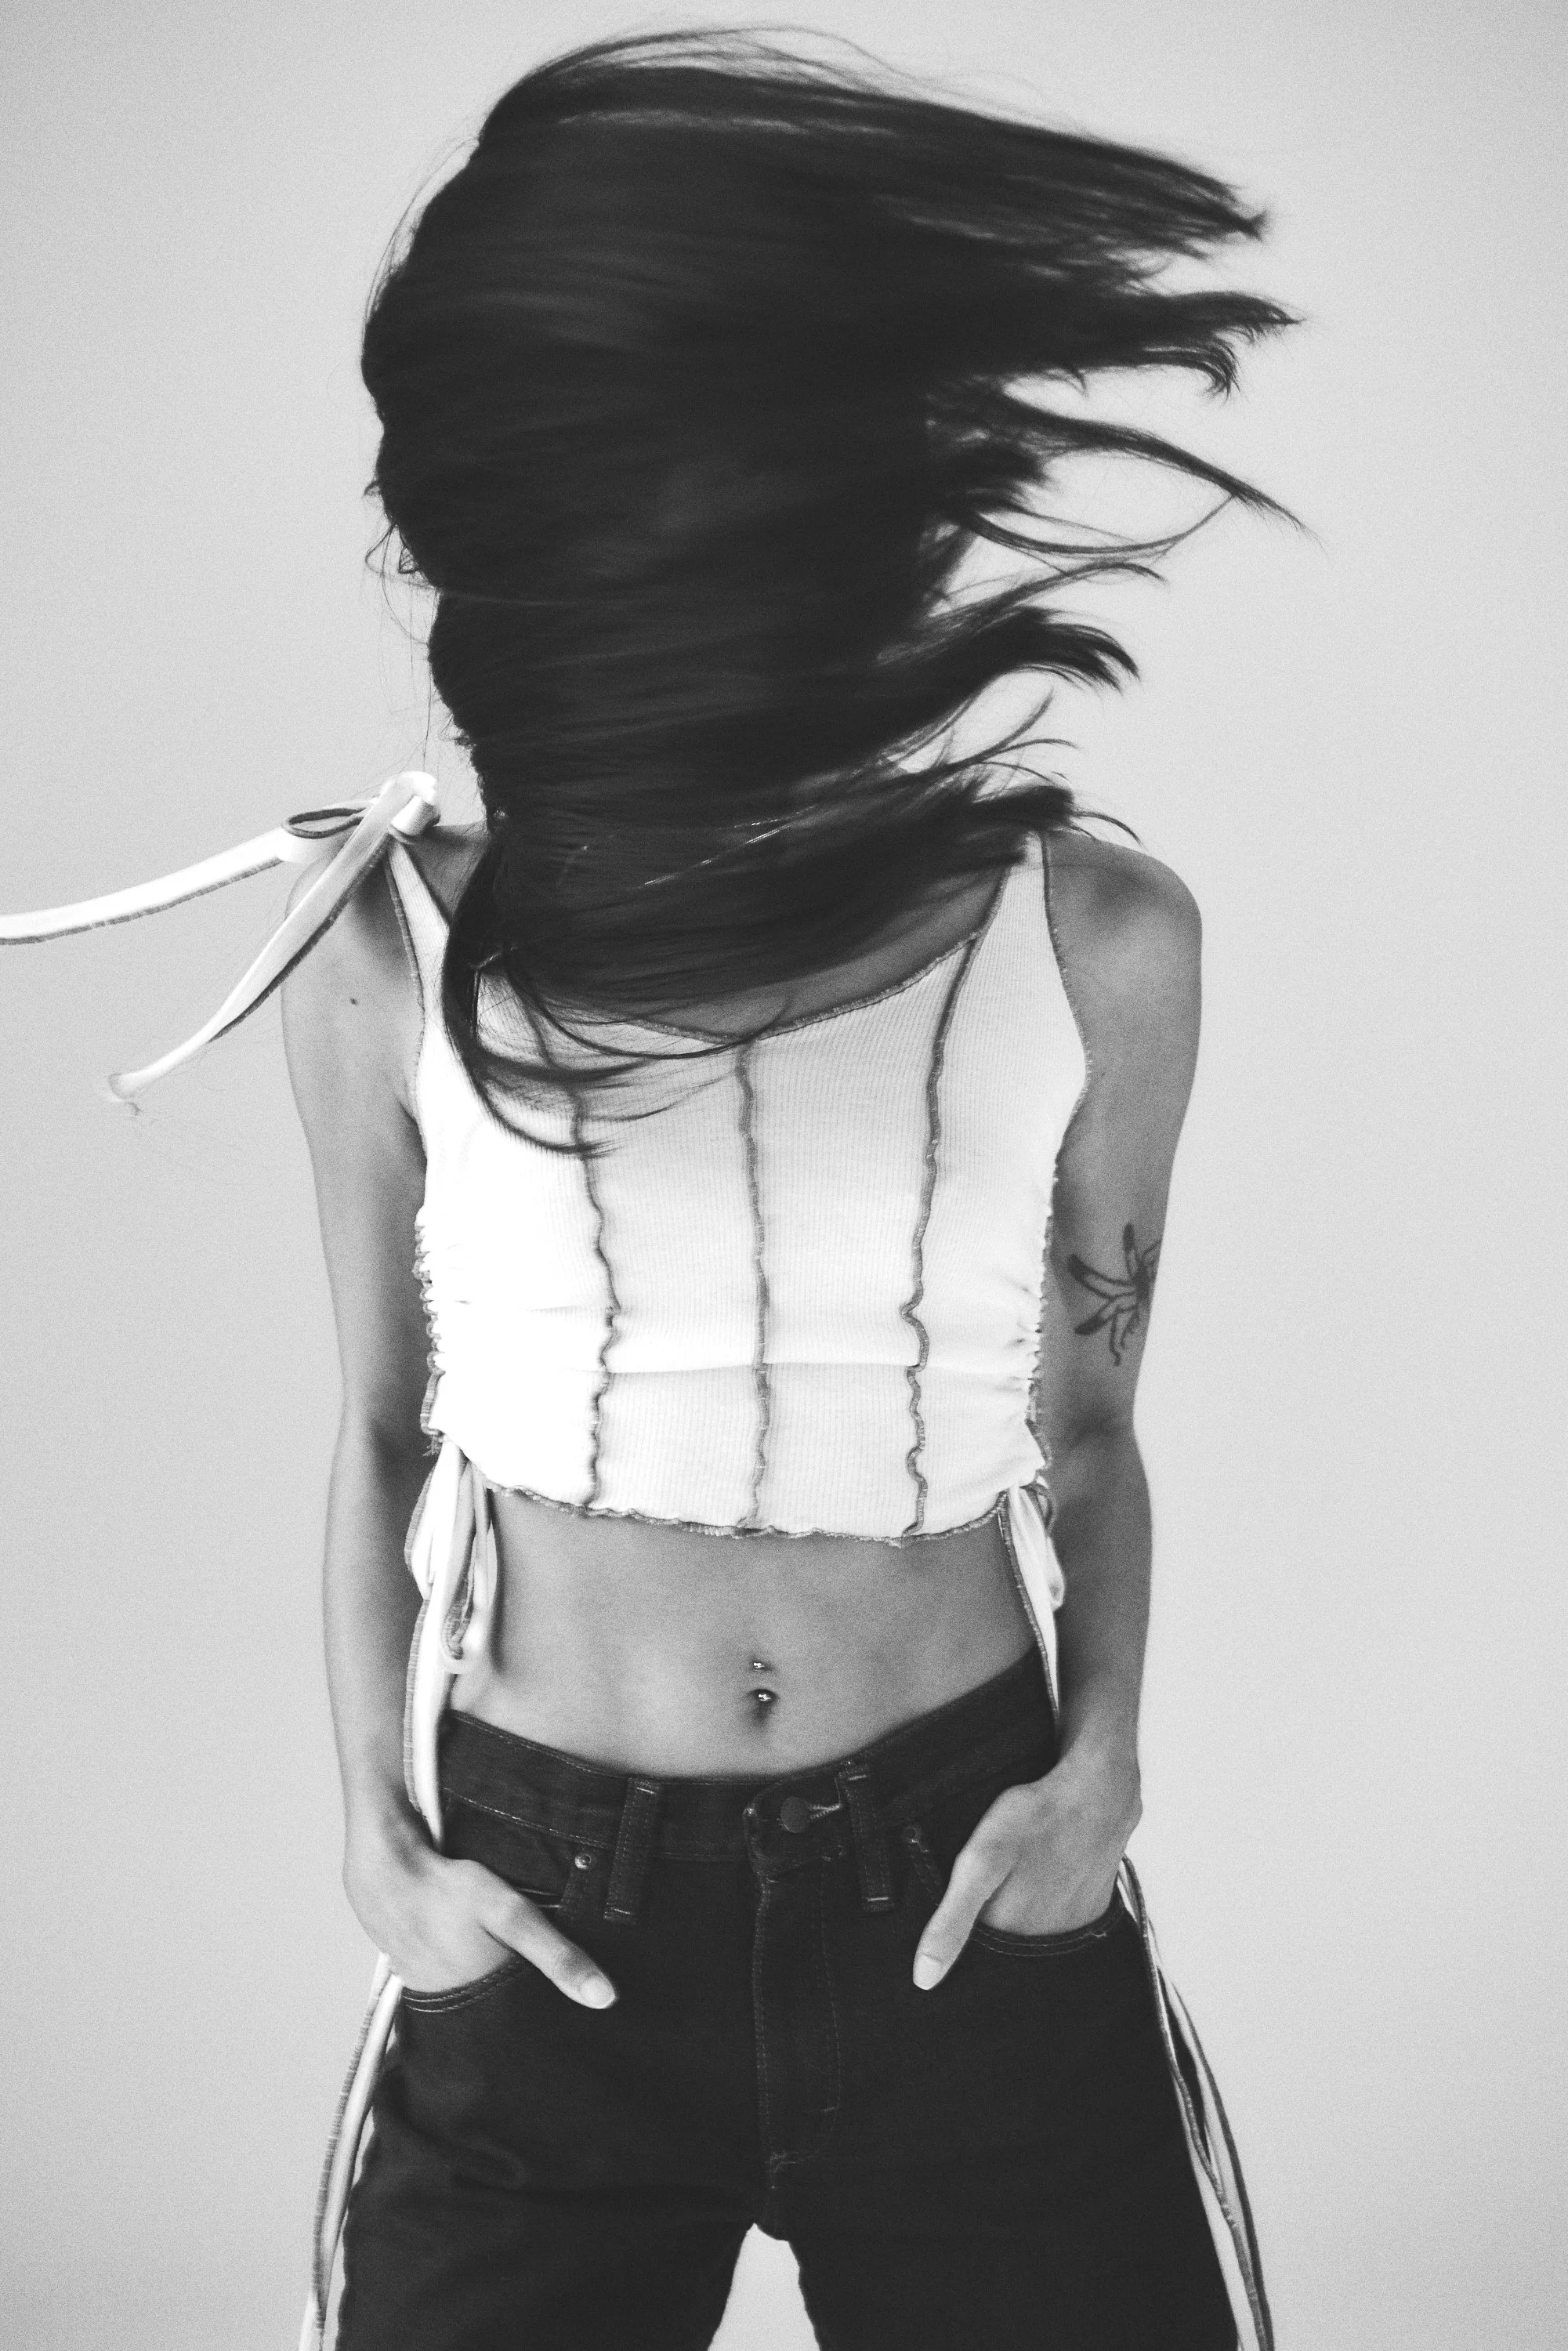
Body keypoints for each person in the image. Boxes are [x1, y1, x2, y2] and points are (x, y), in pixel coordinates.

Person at [2, 29, 1291, 2351]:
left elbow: (1089, 1425)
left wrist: (1098, 1771)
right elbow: (386, 1430)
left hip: (967, 1896)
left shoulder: (1099, 942)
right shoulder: (381, 956)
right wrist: (380, 1853)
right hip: (550, 1913)